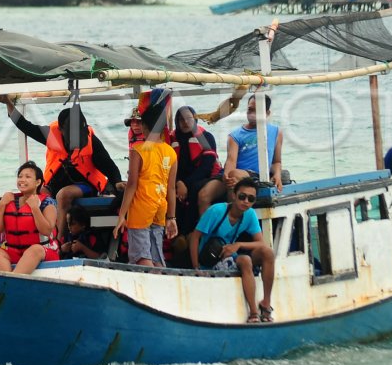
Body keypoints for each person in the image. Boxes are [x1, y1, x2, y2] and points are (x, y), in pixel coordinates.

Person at [4, 98, 125, 237]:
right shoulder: (50, 134)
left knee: (63, 195)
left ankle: (58, 240)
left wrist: (117, 181)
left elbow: (108, 165)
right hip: (55, 184)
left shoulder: (92, 140)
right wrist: (8, 103)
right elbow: (25, 125)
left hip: (85, 185)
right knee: (37, 193)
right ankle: (35, 236)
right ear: (61, 130)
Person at [189, 177, 276, 323]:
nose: (246, 201)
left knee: (267, 253)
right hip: (210, 258)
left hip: (229, 255)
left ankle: (266, 303)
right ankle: (253, 312)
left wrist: (239, 245)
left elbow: (261, 243)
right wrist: (196, 267)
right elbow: (195, 237)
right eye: (242, 197)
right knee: (246, 260)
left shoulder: (249, 214)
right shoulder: (216, 211)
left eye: (251, 198)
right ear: (234, 196)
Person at [114, 105, 178, 267]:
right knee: (156, 256)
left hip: (142, 207)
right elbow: (171, 188)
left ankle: (151, 287)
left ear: (144, 126)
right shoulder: (170, 152)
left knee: (141, 257)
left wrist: (122, 215)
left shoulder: (138, 150)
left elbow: (132, 185)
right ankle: (162, 283)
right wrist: (172, 217)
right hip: (160, 207)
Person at [0, 161, 61, 274]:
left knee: (34, 250)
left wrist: (35, 208)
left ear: (38, 182)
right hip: (14, 252)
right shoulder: (9, 200)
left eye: (27, 177)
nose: (22, 180)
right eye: (20, 176)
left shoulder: (47, 203)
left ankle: (12, 282)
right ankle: (12, 282)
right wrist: (2, 204)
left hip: (41, 252)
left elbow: (46, 231)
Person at [170, 105, 227, 233]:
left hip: (207, 177)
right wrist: (178, 182)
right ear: (177, 122)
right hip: (179, 180)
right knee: (170, 192)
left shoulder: (206, 137)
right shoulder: (171, 140)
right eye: (181, 119)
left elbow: (206, 167)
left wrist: (185, 184)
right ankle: (173, 236)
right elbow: (168, 167)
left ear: (195, 120)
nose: (185, 123)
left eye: (189, 119)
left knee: (195, 189)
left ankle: (187, 232)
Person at [223, 95, 284, 192]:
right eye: (250, 110)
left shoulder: (276, 132)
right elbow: (231, 161)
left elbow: (276, 161)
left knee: (234, 175)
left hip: (260, 175)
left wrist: (277, 175)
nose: (253, 114)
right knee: (205, 193)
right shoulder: (235, 136)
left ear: (267, 113)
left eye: (258, 111)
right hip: (242, 174)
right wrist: (227, 176)